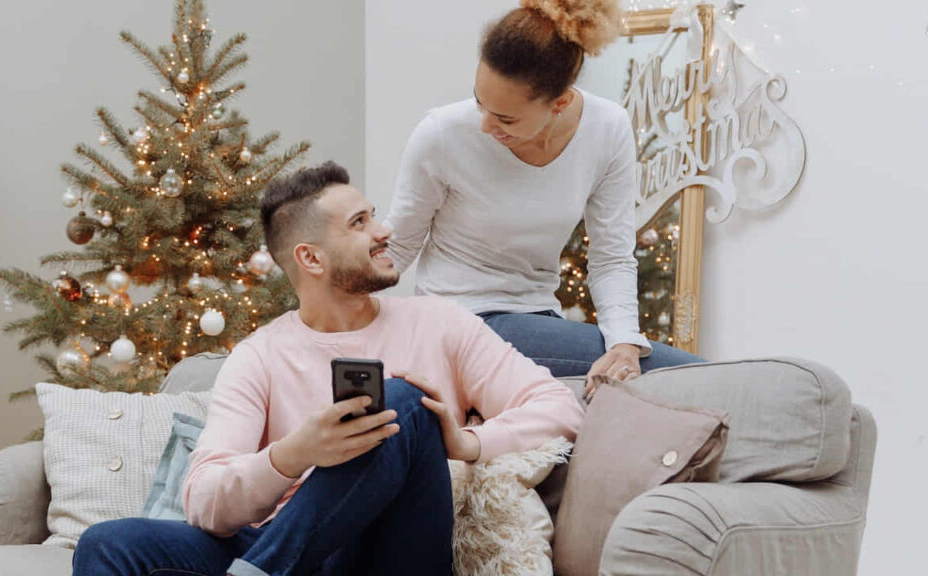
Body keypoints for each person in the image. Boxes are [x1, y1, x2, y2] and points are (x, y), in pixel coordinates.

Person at [71, 162, 585, 576]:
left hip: (389, 549)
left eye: (373, 216)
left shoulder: (439, 323)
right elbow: (203, 500)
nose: (384, 231)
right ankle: (266, 565)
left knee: (402, 399)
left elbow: (560, 407)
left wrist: (466, 443)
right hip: (287, 542)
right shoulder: (260, 355)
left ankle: (261, 571)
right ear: (311, 259)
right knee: (108, 545)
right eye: (360, 223)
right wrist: (292, 455)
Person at [384, 0, 702, 400]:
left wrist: (624, 343)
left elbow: (611, 258)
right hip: (457, 320)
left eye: (505, 119)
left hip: (538, 315)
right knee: (693, 375)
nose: (485, 124)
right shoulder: (441, 134)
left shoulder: (607, 130)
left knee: (652, 375)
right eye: (479, 103)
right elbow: (397, 247)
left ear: (561, 103)